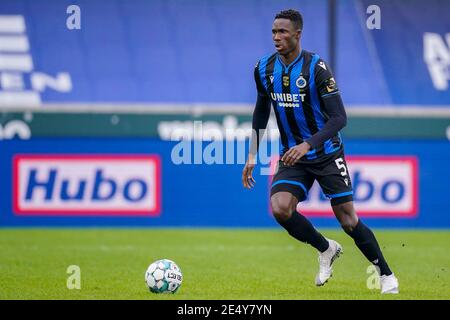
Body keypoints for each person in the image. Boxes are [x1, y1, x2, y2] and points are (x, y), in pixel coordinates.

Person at [242, 9, 399, 294]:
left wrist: (307, 144)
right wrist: (252, 153)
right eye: (274, 32)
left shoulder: (316, 68)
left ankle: (386, 273)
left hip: (326, 154)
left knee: (348, 220)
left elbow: (339, 118)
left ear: (298, 34)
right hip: (294, 157)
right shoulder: (263, 68)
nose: (277, 37)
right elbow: (261, 110)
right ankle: (325, 248)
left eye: (283, 32)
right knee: (280, 208)